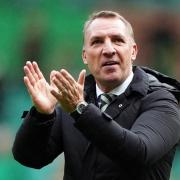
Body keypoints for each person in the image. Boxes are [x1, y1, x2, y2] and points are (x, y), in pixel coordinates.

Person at [12, 10, 180, 180]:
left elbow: (139, 154)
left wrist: (80, 110)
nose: (108, 50)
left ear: (133, 51)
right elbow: (30, 158)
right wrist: (42, 116)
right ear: (85, 56)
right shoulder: (74, 100)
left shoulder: (162, 101)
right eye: (97, 42)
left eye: (118, 40)